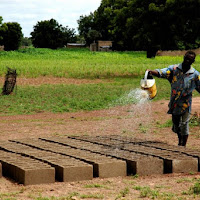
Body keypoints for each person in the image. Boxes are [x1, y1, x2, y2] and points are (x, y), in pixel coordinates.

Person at [147, 50, 200, 147]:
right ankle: (180, 139)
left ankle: (183, 145)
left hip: (186, 104)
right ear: (184, 58)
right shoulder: (174, 69)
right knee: (176, 125)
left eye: (190, 60)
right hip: (174, 103)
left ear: (193, 61)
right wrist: (151, 71)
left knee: (184, 124)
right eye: (186, 58)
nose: (187, 61)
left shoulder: (195, 75)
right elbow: (162, 72)